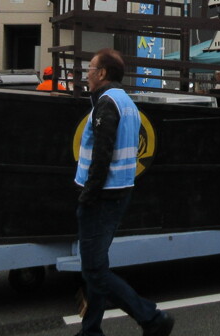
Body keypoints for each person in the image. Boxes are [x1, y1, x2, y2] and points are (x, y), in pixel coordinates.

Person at [74, 49, 174, 336]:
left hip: (102, 196)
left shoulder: (107, 103)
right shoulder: (127, 102)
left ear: (102, 73)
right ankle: (91, 330)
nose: (87, 73)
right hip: (119, 191)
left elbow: (102, 154)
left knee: (94, 270)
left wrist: (88, 194)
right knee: (97, 265)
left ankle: (151, 318)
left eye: (90, 68)